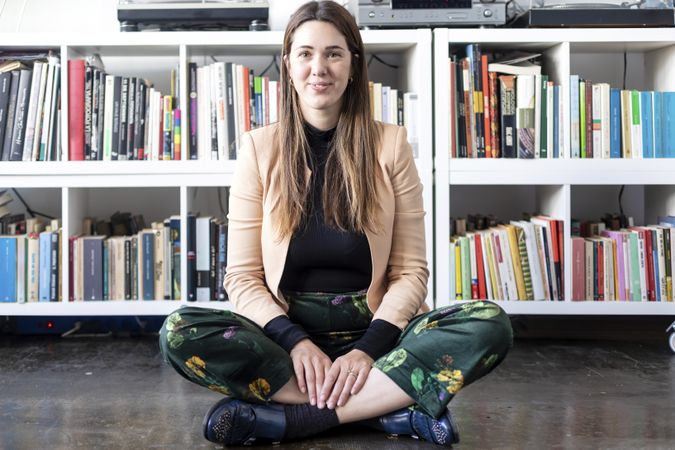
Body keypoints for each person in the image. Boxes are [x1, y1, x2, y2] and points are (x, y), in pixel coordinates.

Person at [159, 1, 513, 446]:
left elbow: (411, 273)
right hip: (286, 333)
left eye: (333, 53)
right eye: (305, 54)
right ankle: (387, 410)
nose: (318, 68)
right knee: (180, 331)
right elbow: (243, 277)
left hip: (378, 328)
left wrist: (368, 350)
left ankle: (291, 420)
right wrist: (297, 343)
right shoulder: (258, 149)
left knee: (488, 322)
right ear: (288, 65)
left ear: (353, 64)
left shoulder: (391, 145)